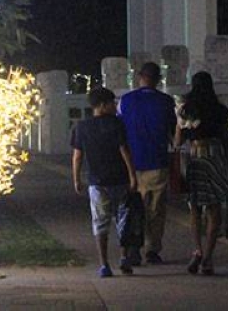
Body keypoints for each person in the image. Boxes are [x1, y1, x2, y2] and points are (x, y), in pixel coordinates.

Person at [71, 87, 138, 278]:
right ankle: (124, 258)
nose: (114, 106)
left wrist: (76, 179)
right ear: (102, 105)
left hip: (97, 182)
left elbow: (77, 156)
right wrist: (133, 176)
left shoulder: (81, 127)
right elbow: (124, 151)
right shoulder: (116, 124)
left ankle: (104, 264)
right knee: (123, 219)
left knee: (100, 222)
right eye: (111, 103)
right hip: (119, 179)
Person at [174, 71, 228, 275]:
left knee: (195, 207)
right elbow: (226, 139)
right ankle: (208, 257)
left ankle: (197, 250)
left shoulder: (186, 109)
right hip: (215, 156)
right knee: (214, 208)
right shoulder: (220, 109)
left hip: (195, 156)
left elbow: (177, 141)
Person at [117, 61, 176, 265]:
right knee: (156, 210)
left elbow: (119, 131)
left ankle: (133, 246)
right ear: (158, 80)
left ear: (139, 77)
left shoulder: (125, 101)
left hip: (130, 163)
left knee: (133, 207)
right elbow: (172, 133)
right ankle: (152, 250)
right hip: (157, 161)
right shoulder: (167, 102)